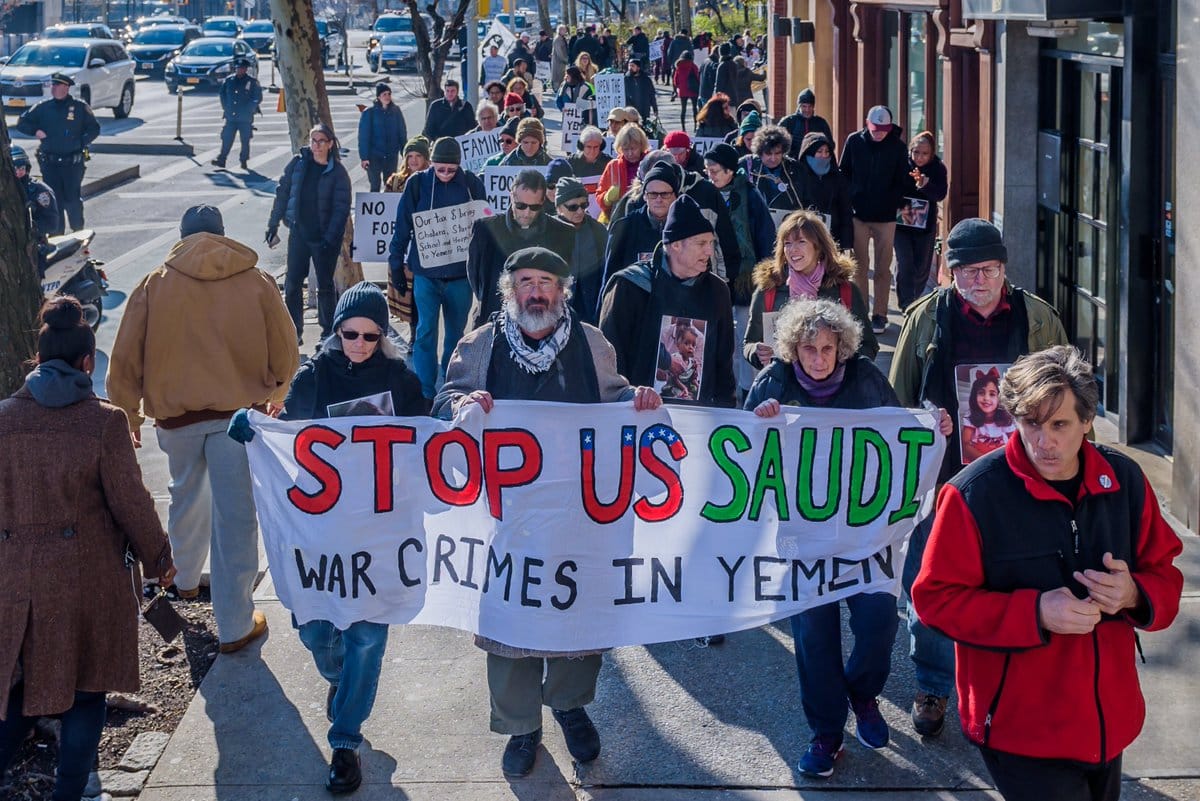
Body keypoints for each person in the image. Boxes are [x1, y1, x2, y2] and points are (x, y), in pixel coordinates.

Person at [912, 346, 1183, 801]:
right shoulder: (972, 495)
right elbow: (935, 600)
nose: (1043, 441)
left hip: (1108, 724)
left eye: (1059, 425)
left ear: (1087, 421)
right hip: (1021, 731)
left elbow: (1166, 575)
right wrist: (1035, 612)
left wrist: (1135, 594)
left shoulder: (1126, 480)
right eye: (1031, 423)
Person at [433, 247, 662, 779]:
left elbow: (615, 399)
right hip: (506, 519)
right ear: (510, 291)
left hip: (577, 517)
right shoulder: (480, 344)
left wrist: (637, 400)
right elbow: (444, 401)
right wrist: (461, 406)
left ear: (562, 290)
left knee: (577, 614)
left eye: (546, 282)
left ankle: (569, 705)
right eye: (526, 282)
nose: (536, 292)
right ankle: (521, 726)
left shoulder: (592, 343)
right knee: (509, 619)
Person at [226, 283, 425, 793]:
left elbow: (429, 436)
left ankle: (345, 741)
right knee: (316, 632)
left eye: (370, 336)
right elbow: (285, 439)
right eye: (349, 333)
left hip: (380, 532)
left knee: (366, 638)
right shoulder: (314, 376)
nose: (359, 343)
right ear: (336, 332)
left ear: (383, 337)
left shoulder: (400, 379)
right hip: (321, 533)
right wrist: (254, 428)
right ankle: (342, 682)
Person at [746, 298, 951, 777]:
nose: (819, 358)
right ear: (793, 349)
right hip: (800, 537)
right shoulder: (773, 381)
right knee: (813, 636)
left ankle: (862, 693)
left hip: (866, 536)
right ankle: (826, 734)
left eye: (827, 348)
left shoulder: (866, 378)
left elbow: (902, 438)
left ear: (842, 348)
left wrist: (934, 428)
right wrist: (759, 418)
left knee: (879, 624)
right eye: (808, 349)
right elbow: (742, 451)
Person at [889, 217, 1070, 740]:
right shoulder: (927, 318)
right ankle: (933, 684)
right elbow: (897, 403)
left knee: (1022, 583)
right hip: (944, 480)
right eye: (967, 271)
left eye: (988, 269)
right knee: (931, 584)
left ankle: (1021, 686)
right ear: (950, 271)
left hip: (1021, 479)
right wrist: (926, 419)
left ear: (1004, 269)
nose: (978, 280)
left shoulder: (1038, 319)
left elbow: (1072, 396)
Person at [0, 297, 173, 801]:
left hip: (15, 583)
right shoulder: (104, 422)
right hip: (89, 582)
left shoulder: (3, 419)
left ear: (37, 359)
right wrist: (160, 560)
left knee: (18, 693)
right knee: (85, 692)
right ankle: (70, 793)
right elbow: (131, 503)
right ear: (87, 363)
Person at [107, 205, 297, 651]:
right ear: (223, 235)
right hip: (239, 418)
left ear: (182, 237)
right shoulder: (256, 280)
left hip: (177, 419)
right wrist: (278, 391)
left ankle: (185, 579)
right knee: (236, 517)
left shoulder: (154, 284)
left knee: (185, 495)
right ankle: (235, 624)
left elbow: (124, 359)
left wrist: (129, 415)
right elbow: (286, 349)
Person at [599, 194, 737, 408]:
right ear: (675, 245)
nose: (709, 251)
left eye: (711, 242)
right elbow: (609, 357)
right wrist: (622, 405)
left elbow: (723, 363)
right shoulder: (630, 285)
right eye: (701, 243)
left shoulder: (717, 291)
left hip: (698, 417)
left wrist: (726, 411)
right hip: (637, 412)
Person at [388, 137, 487, 402]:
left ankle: (450, 388)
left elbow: (485, 229)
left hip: (460, 277)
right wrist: (395, 265)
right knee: (425, 333)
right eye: (439, 169)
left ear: (459, 166)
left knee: (456, 336)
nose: (445, 174)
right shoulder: (417, 183)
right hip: (426, 275)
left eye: (451, 170)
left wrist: (483, 271)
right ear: (431, 163)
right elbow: (402, 226)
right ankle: (425, 393)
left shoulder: (471, 184)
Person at [744, 209, 877, 368]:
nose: (793, 249)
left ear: (818, 247)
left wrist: (846, 366)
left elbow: (869, 345)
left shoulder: (844, 290)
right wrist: (755, 352)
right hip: (784, 381)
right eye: (787, 243)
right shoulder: (769, 289)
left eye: (801, 242)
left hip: (835, 381)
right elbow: (749, 342)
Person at [266, 123, 352, 343]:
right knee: (293, 283)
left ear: (330, 144)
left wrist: (329, 239)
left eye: (321, 141)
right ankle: (294, 331)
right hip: (299, 232)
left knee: (325, 285)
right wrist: (273, 224)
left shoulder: (337, 172)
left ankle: (327, 331)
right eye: (313, 140)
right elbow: (282, 194)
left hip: (324, 238)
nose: (316, 145)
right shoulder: (298, 164)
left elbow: (341, 209)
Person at [703, 142, 775, 393]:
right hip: (715, 275)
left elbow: (766, 236)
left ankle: (748, 388)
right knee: (723, 337)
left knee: (746, 335)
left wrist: (767, 273)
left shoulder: (751, 195)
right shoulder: (705, 194)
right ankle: (727, 389)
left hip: (745, 277)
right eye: (707, 170)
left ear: (730, 170)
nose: (710, 175)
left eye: (714, 170)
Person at [467, 169, 575, 330]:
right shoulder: (486, 229)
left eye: (534, 207)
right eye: (520, 206)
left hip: (543, 318)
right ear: (512, 196)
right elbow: (475, 275)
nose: (526, 213)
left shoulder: (563, 232)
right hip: (495, 315)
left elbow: (564, 280)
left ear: (543, 201)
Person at [839, 105, 910, 334]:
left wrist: (895, 201)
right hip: (858, 215)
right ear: (867, 124)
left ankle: (880, 314)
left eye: (883, 129)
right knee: (858, 267)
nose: (879, 133)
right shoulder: (854, 141)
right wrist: (850, 197)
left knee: (883, 268)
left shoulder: (898, 147)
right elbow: (843, 172)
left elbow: (903, 179)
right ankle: (860, 312)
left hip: (886, 217)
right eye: (875, 128)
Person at [16, 73, 99, 234]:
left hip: (72, 164)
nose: (53, 88)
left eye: (57, 85)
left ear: (66, 87)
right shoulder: (43, 107)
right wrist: (35, 131)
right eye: (52, 85)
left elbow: (94, 129)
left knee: (73, 200)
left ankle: (78, 233)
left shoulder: (79, 107)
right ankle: (57, 235)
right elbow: (22, 123)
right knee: (55, 200)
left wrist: (80, 142)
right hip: (50, 163)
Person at [893, 130, 949, 310]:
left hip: (925, 225)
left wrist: (925, 185)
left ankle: (915, 298)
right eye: (916, 152)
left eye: (925, 153)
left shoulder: (938, 168)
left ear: (931, 154)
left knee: (921, 267)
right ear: (910, 150)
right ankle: (906, 303)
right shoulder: (902, 164)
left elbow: (940, 194)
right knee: (904, 262)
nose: (919, 157)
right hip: (902, 223)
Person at [383, 136, 431, 340]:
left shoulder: (431, 181)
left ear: (426, 158)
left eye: (418, 156)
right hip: (402, 248)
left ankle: (419, 335)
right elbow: (381, 211)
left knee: (420, 295)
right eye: (410, 156)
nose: (413, 160)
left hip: (425, 248)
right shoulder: (395, 181)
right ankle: (413, 333)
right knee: (407, 295)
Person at [604, 160, 679, 285]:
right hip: (634, 295)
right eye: (653, 194)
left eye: (665, 194)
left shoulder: (687, 229)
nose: (659, 200)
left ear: (675, 196)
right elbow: (609, 279)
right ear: (644, 196)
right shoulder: (624, 228)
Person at [554, 177, 608, 324]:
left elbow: (606, 272)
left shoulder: (598, 231)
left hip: (591, 309)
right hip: (557, 310)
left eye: (584, 205)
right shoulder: (548, 231)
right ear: (559, 208)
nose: (579, 211)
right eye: (573, 207)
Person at [793, 131, 854, 251]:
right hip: (805, 235)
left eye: (827, 152)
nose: (824, 155)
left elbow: (845, 210)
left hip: (833, 237)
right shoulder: (798, 176)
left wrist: (846, 242)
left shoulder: (837, 177)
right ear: (809, 152)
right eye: (819, 151)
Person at [211, 58, 263, 171]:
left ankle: (243, 160)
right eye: (238, 68)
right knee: (227, 138)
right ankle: (222, 159)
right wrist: (226, 107)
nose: (239, 70)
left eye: (242, 68)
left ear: (246, 69)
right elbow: (222, 94)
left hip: (245, 117)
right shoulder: (229, 80)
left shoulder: (251, 82)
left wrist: (249, 108)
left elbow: (257, 97)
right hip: (231, 116)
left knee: (245, 140)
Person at [741, 124, 805, 212]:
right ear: (760, 152)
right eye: (768, 154)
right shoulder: (746, 165)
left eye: (777, 153)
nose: (773, 158)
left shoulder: (796, 168)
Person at [358, 82, 408, 192]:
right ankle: (374, 203)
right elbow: (364, 137)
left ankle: (388, 203)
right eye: (384, 94)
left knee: (390, 184)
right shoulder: (370, 113)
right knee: (375, 184)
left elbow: (402, 133)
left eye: (389, 94)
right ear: (378, 97)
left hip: (391, 155)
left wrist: (405, 152)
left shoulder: (396, 111)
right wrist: (364, 157)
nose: (387, 97)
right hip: (374, 155)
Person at [959, 366, 1017, 462]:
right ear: (974, 396)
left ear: (1000, 398)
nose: (986, 398)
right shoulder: (971, 417)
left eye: (992, 394)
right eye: (981, 393)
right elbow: (965, 445)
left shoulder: (1005, 418)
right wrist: (985, 462)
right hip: (978, 459)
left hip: (1000, 458)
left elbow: (1015, 442)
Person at [11, 143, 59, 251]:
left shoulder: (40, 190)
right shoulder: (5, 189)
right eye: (14, 168)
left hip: (33, 244)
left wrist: (31, 227)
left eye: (21, 168)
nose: (18, 171)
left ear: (27, 167)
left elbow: (52, 224)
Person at [597, 122, 649, 221]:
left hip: (646, 217)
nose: (630, 153)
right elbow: (599, 196)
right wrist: (607, 198)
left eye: (633, 148)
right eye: (625, 149)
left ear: (641, 145)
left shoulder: (651, 162)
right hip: (621, 219)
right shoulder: (613, 166)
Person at [779, 88, 834, 159]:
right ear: (799, 106)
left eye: (810, 106)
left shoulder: (821, 123)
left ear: (813, 107)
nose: (807, 110)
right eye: (804, 106)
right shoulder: (788, 122)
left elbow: (830, 144)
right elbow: (778, 143)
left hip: (814, 162)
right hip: (793, 161)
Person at [672, 50, 700, 129]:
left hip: (683, 91)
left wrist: (679, 87)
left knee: (683, 109)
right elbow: (698, 77)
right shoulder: (693, 66)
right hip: (693, 90)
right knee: (694, 108)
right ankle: (695, 126)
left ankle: (683, 128)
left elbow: (675, 80)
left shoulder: (678, 66)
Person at [624, 57, 658, 122]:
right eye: (629, 66)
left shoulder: (646, 80)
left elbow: (651, 95)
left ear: (638, 68)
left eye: (632, 66)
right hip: (630, 111)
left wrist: (655, 109)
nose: (630, 68)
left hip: (643, 110)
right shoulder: (625, 79)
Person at [551, 24, 570, 91]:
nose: (566, 31)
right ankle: (557, 89)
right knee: (558, 76)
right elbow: (559, 52)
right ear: (560, 30)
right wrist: (566, 60)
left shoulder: (562, 38)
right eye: (564, 30)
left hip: (562, 62)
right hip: (558, 62)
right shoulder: (557, 39)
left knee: (562, 76)